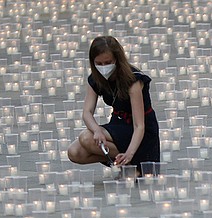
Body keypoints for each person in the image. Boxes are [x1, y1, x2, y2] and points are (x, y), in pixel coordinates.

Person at [67, 35, 160, 175]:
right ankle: (125, 164)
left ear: (117, 59)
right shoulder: (96, 78)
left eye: (108, 62)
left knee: (86, 137)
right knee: (74, 152)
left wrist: (129, 153)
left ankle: (133, 161)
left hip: (141, 130)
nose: (103, 68)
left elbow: (139, 125)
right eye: (99, 64)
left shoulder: (133, 80)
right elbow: (87, 112)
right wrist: (97, 130)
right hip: (118, 124)